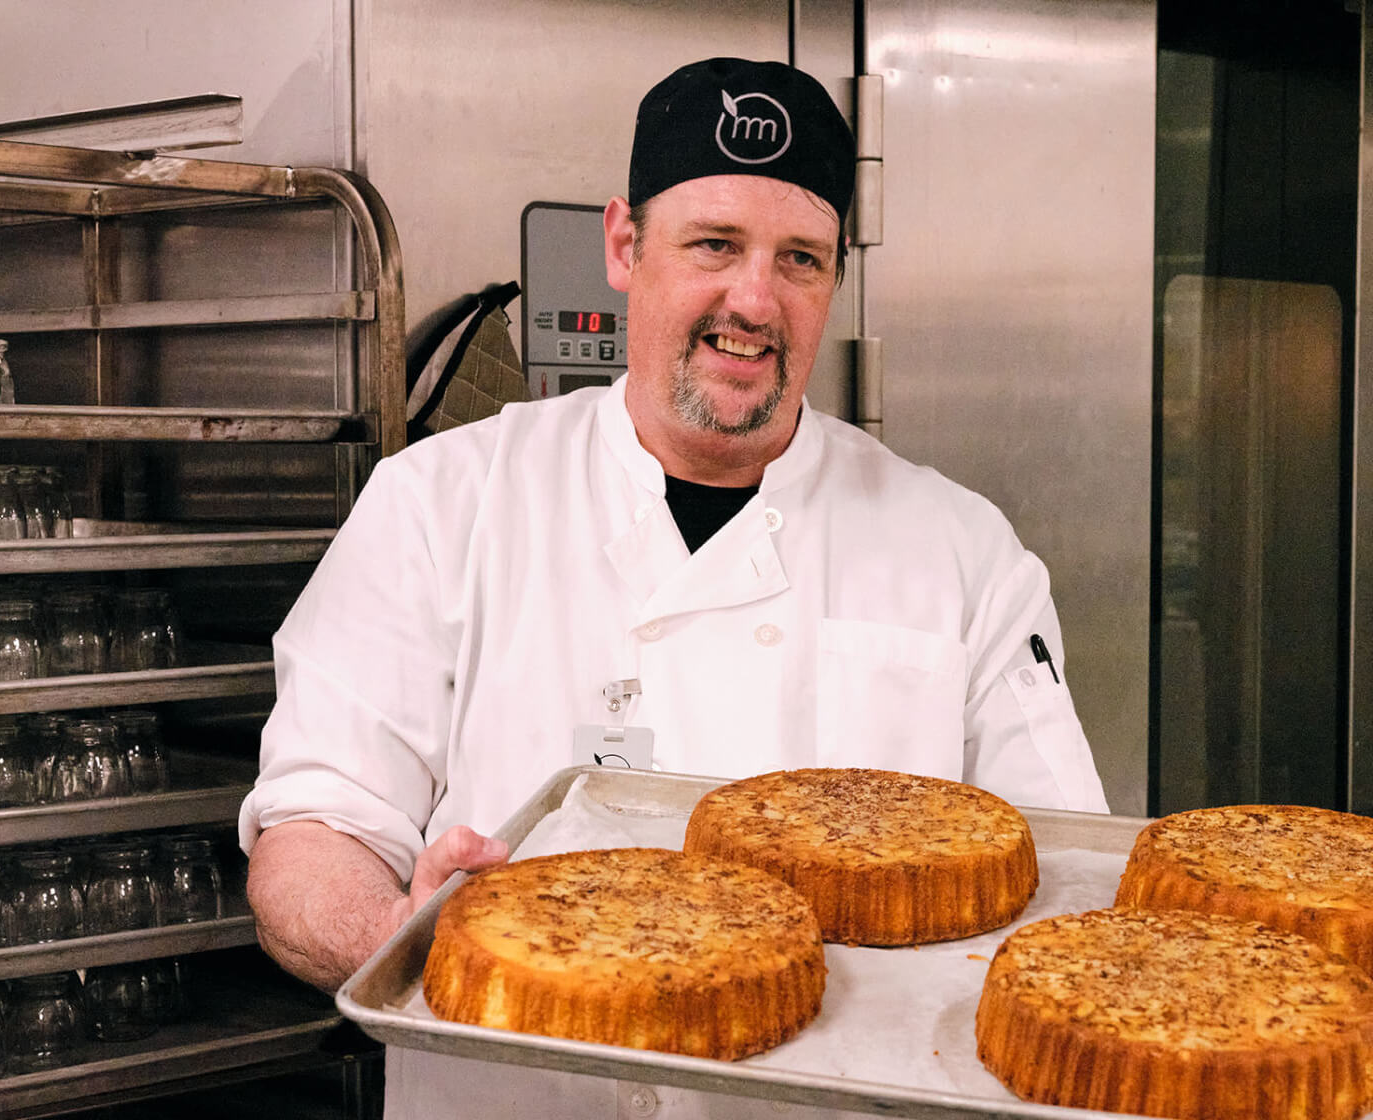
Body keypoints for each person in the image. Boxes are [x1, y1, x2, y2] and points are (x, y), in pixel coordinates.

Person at [241, 56, 1109, 1118]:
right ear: (622, 244)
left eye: (799, 258)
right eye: (713, 244)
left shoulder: (959, 550)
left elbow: (1064, 881)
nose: (753, 299)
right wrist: (400, 940)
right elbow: (310, 838)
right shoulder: (439, 504)